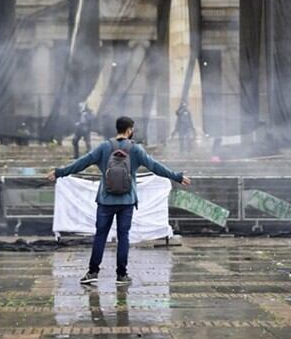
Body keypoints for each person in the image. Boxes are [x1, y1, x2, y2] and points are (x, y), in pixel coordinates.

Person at [47, 116, 191, 285]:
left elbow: (81, 163)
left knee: (100, 236)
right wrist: (177, 177)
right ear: (129, 130)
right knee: (124, 237)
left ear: (117, 129)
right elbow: (155, 166)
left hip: (105, 200)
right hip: (126, 201)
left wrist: (59, 172)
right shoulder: (136, 149)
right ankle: (121, 275)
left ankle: (93, 272)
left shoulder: (104, 147)